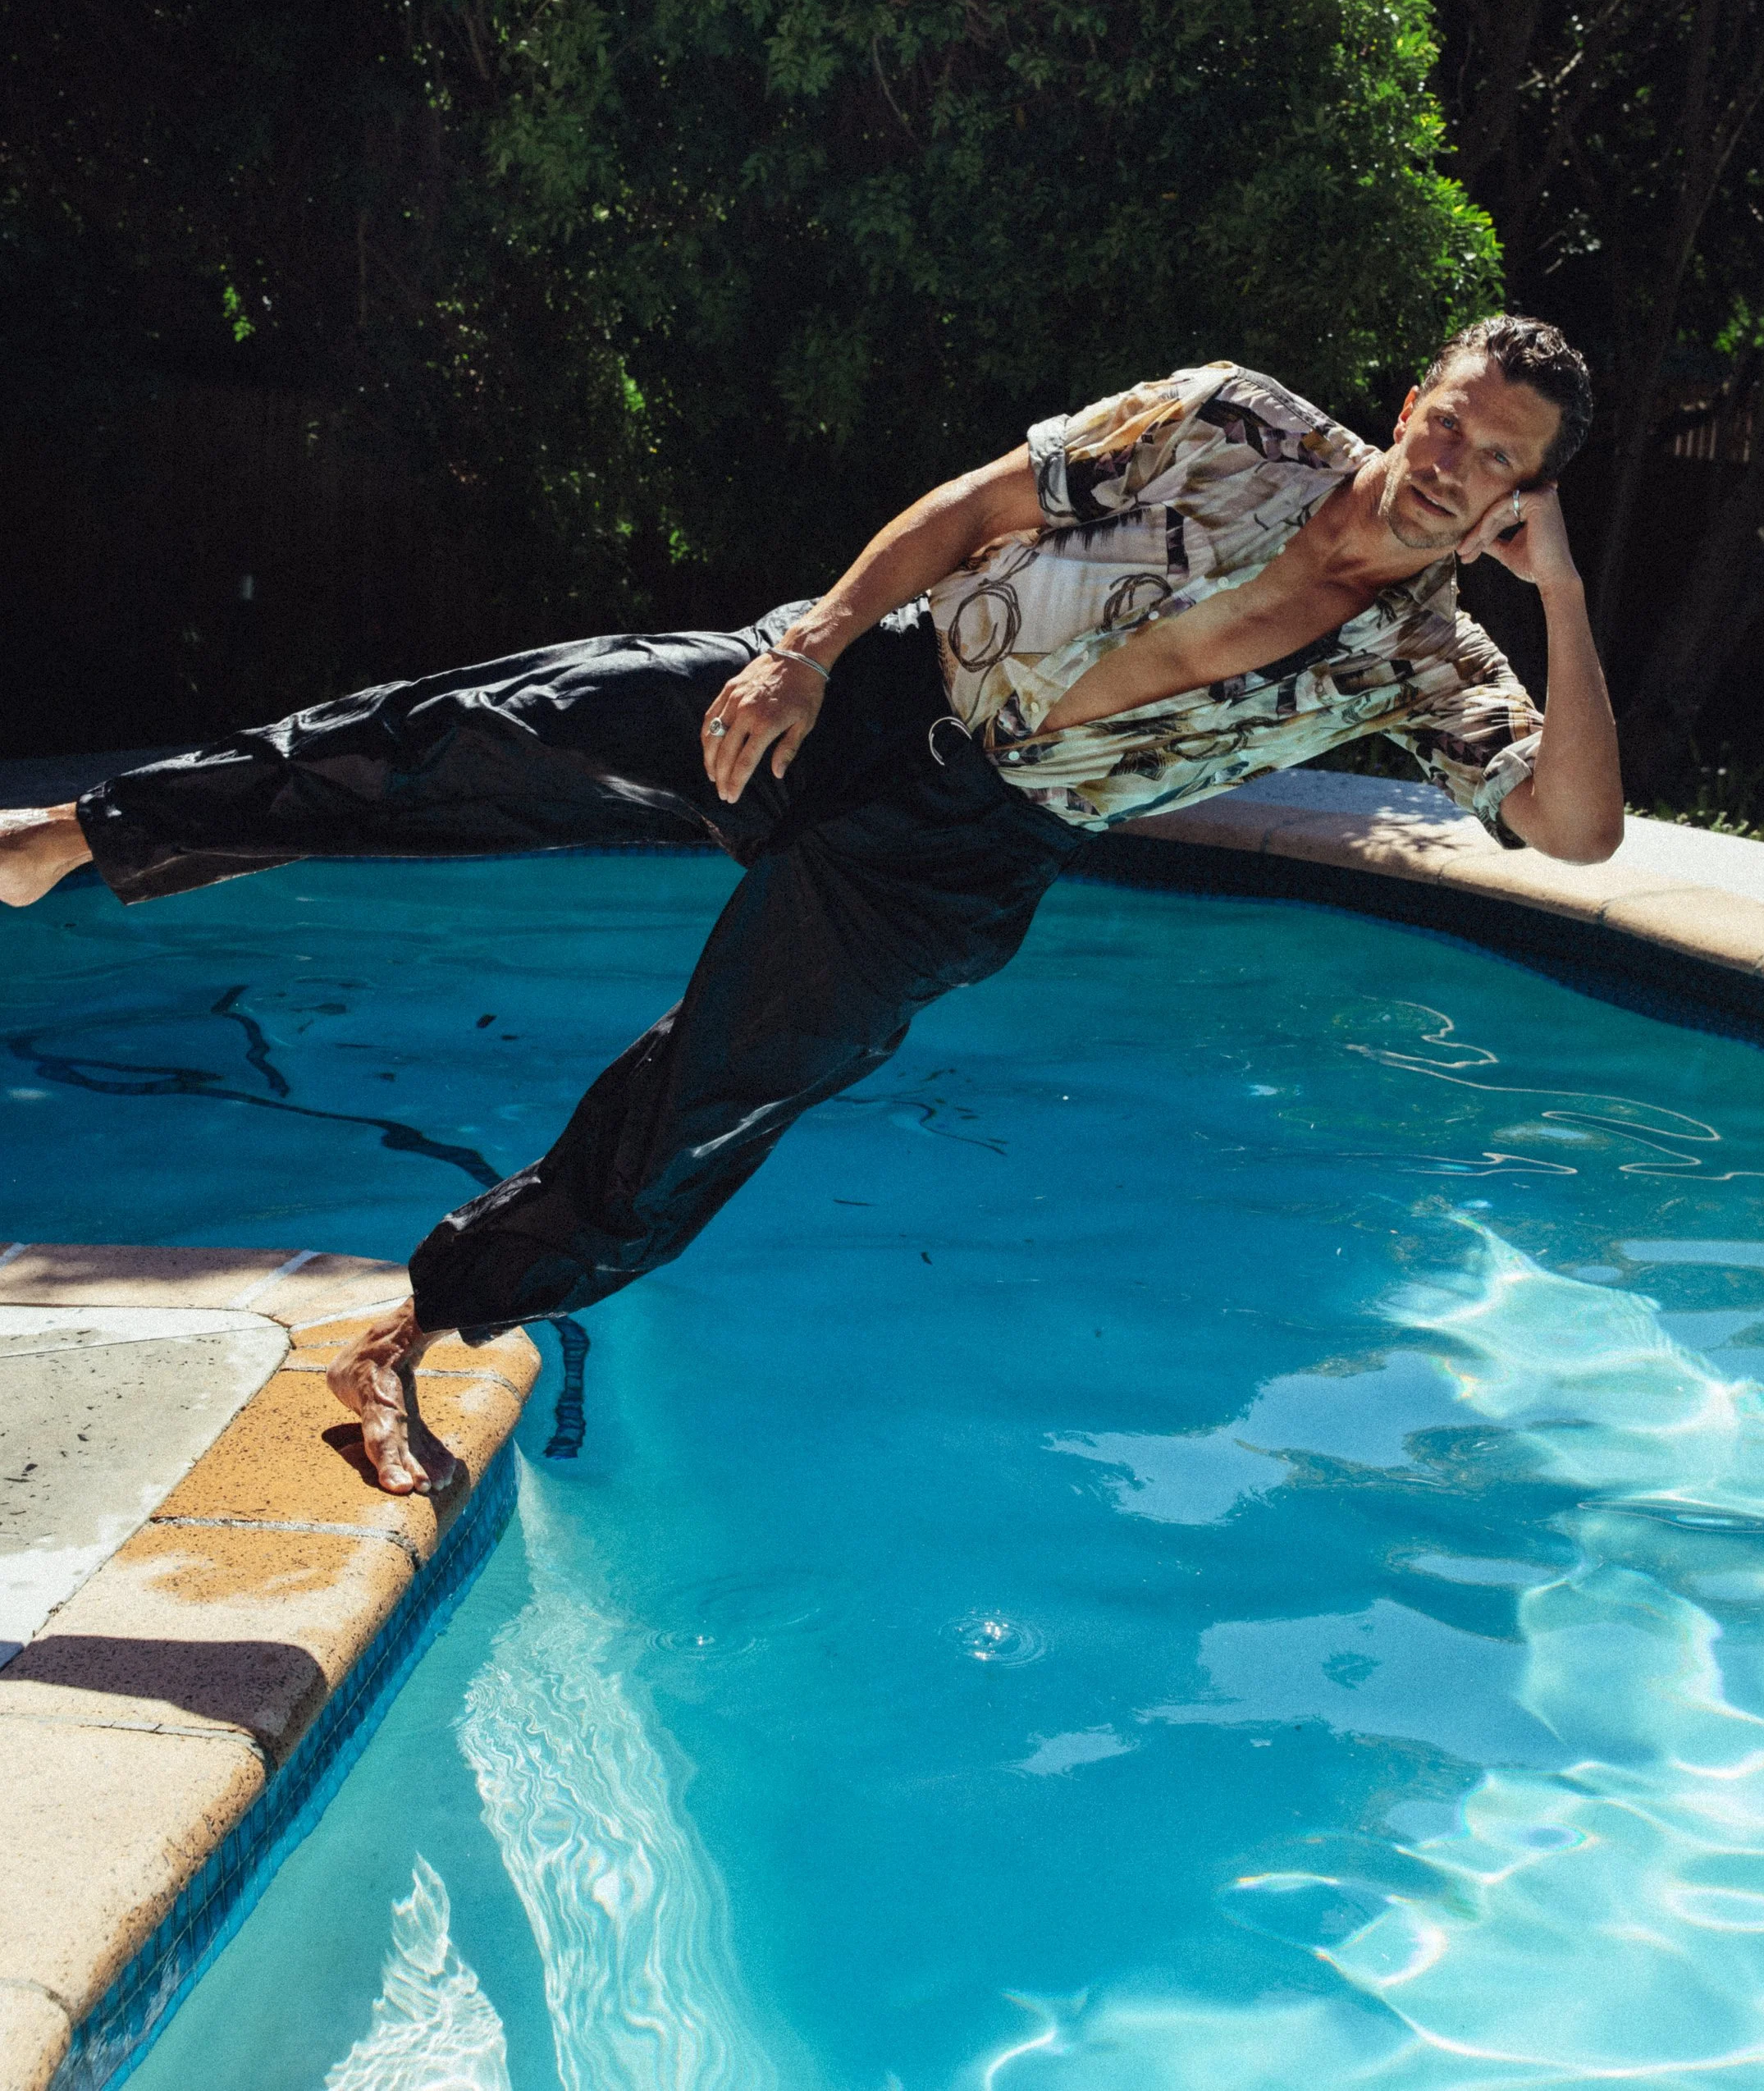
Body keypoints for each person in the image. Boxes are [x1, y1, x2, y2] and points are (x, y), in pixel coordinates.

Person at [0, 318, 1623, 1492]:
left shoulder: (1430, 659)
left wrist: (1550, 590)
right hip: (869, 696)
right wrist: (807, 647)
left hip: (962, 860)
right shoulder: (1234, 422)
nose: (1455, 466)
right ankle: (77, 834)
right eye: (1450, 423)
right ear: (1410, 399)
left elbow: (1573, 830)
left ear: (1516, 495)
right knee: (492, 732)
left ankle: (414, 1325)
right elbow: (976, 510)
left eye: (1500, 465)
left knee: (692, 1122)